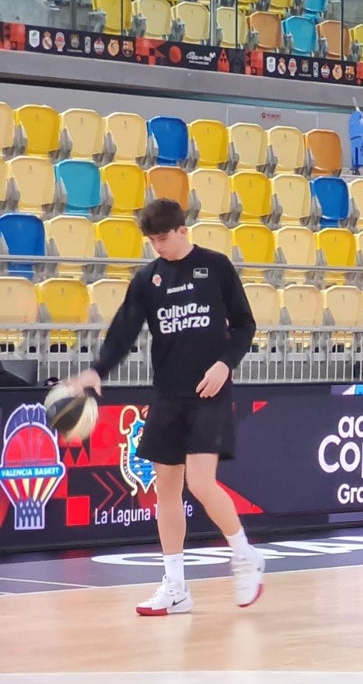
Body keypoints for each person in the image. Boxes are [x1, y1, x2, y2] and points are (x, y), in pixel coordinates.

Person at [64, 198, 263, 616]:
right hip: (167, 395)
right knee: (166, 491)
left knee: (202, 484)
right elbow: (124, 331)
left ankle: (245, 555)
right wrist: (97, 370)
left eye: (163, 238)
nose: (158, 246)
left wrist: (225, 365)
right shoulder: (147, 279)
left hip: (210, 392)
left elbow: (245, 326)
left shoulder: (217, 267)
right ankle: (175, 586)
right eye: (152, 241)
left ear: (182, 230)